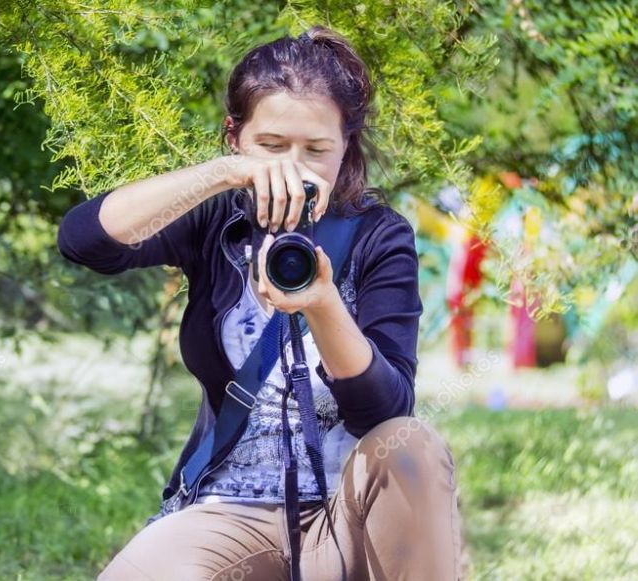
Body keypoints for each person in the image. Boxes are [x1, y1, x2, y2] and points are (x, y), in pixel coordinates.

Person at [57, 25, 463, 581]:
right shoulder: (216, 218)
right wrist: (224, 176)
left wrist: (322, 305)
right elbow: (84, 242)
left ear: (346, 148)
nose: (292, 168)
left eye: (316, 150)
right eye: (271, 146)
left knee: (412, 445)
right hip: (230, 511)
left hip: (348, 518)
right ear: (235, 136)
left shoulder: (379, 236)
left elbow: (385, 412)